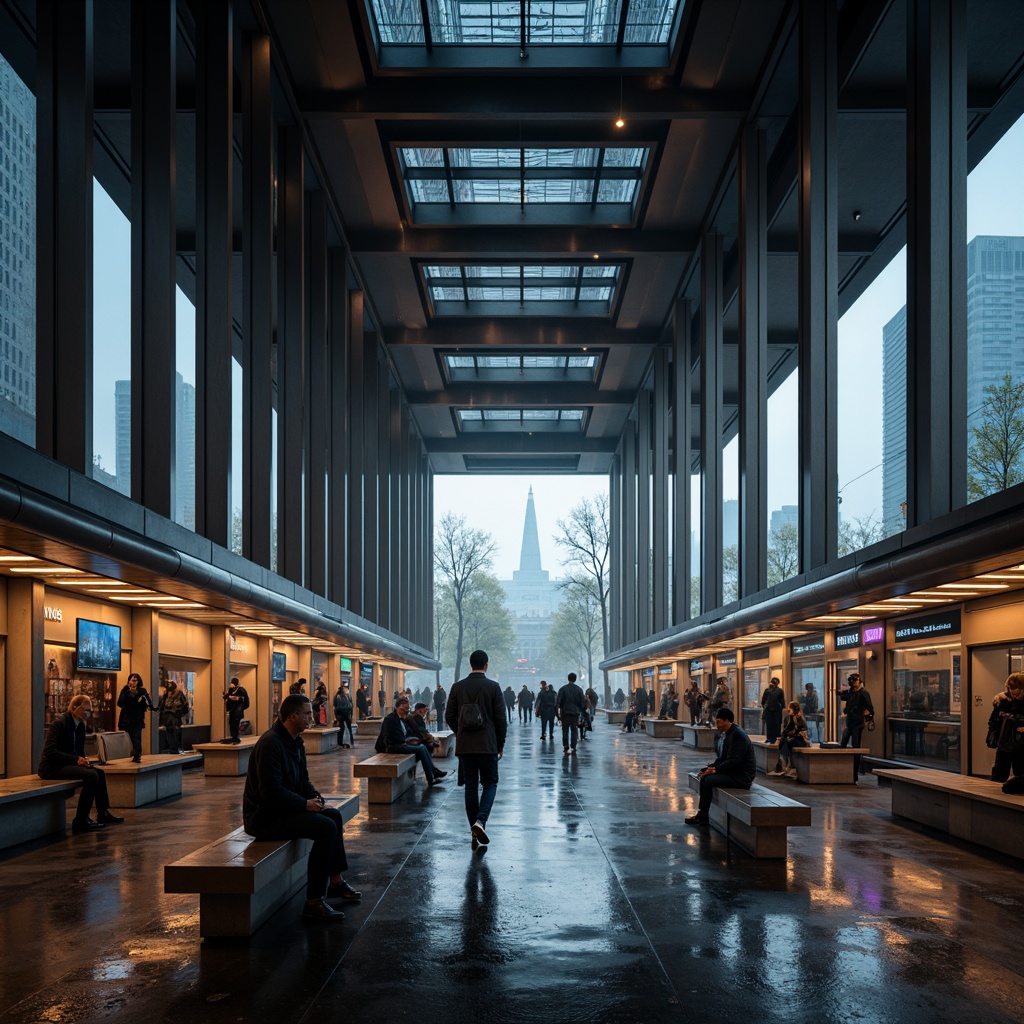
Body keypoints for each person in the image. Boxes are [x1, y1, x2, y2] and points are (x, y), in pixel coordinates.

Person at [243, 694, 361, 923]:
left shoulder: (296, 741)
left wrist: (315, 796)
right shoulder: (270, 744)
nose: (312, 717)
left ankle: (335, 882)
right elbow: (270, 792)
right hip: (266, 817)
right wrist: (304, 804)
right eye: (307, 714)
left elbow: (303, 781)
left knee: (333, 816)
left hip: (286, 809)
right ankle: (314, 901)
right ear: (293, 716)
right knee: (325, 828)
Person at [446, 649, 507, 850]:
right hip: (488, 744)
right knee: (490, 784)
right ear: (486, 665)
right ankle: (480, 822)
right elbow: (500, 719)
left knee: (471, 786)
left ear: (470, 664)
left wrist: (461, 731)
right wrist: (500, 743)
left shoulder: (457, 687)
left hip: (465, 746)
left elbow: (449, 716)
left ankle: (474, 831)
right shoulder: (494, 687)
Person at [38, 694, 125, 833]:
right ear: (74, 708)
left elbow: (78, 751)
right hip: (51, 768)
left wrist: (83, 760)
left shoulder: (79, 727)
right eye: (85, 710)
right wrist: (76, 760)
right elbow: (50, 752)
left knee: (99, 772)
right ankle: (80, 819)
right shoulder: (59, 724)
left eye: (90, 711)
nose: (88, 713)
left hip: (67, 764)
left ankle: (103, 813)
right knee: (92, 776)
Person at [685, 707, 756, 826]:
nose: (717, 725)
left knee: (708, 780)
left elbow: (734, 761)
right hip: (734, 772)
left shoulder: (738, 735)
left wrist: (715, 770)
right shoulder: (729, 734)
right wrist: (709, 768)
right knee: (704, 777)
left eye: (719, 722)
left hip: (742, 776)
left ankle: (703, 816)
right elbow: (722, 758)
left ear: (727, 720)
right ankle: (702, 814)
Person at [375, 697, 447, 786]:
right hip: (393, 747)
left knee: (423, 746)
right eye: (405, 708)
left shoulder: (402, 719)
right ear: (398, 707)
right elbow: (392, 738)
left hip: (400, 744)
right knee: (421, 748)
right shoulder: (391, 719)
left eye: (407, 708)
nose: (406, 711)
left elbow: (408, 732)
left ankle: (433, 774)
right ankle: (431, 777)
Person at [988, 673, 1024, 793]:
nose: (1014, 694)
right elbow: (993, 721)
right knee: (999, 775)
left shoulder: (1003, 702)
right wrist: (993, 735)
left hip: (1020, 745)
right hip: (1004, 742)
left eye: (1017, 690)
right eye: (1011, 689)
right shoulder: (1002, 702)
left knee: (1020, 774)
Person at [839, 673, 874, 778]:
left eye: (854, 681)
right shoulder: (851, 692)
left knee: (856, 747)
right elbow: (845, 698)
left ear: (859, 681)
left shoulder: (863, 693)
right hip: (850, 722)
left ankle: (854, 773)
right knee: (843, 744)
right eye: (851, 681)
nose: (853, 683)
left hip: (857, 723)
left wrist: (868, 718)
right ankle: (842, 769)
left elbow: (870, 708)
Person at [117, 672, 154, 762]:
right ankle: (129, 754)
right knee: (128, 737)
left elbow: (148, 704)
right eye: (132, 680)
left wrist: (140, 699)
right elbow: (120, 703)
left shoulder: (142, 691)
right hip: (126, 718)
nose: (133, 682)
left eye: (135, 680)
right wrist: (128, 692)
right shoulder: (125, 689)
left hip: (137, 717)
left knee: (137, 737)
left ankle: (137, 755)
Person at [768, 701, 810, 778]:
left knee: (790, 741)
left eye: (789, 710)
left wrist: (792, 732)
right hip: (792, 738)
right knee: (783, 741)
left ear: (794, 710)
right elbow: (785, 731)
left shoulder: (799, 719)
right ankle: (782, 764)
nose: (788, 712)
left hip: (801, 740)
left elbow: (801, 732)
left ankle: (789, 765)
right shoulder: (788, 718)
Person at [556, 672, 586, 756]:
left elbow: (558, 702)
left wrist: (558, 714)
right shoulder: (579, 689)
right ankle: (573, 746)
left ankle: (566, 746)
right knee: (574, 729)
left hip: (565, 713)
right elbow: (583, 703)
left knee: (565, 730)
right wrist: (581, 712)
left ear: (568, 679)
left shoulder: (563, 689)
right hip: (575, 713)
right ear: (575, 679)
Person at [160, 679, 188, 754]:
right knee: (169, 734)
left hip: (175, 717)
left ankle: (175, 748)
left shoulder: (179, 694)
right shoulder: (165, 695)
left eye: (170, 684)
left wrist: (179, 714)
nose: (169, 685)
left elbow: (185, 706)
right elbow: (162, 706)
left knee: (175, 733)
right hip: (167, 717)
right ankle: (172, 748)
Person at [222, 676, 250, 744]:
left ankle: (235, 737)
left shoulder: (241, 689)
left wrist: (229, 697)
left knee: (236, 723)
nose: (231, 684)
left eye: (232, 683)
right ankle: (233, 737)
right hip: (232, 710)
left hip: (237, 710)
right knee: (231, 723)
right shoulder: (231, 690)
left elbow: (239, 699)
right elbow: (229, 696)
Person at [761, 676, 786, 743]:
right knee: (776, 726)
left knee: (769, 726)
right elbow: (782, 703)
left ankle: (769, 738)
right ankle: (774, 738)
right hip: (776, 712)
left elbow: (763, 702)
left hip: (768, 712)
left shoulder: (767, 691)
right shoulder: (780, 691)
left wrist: (765, 708)